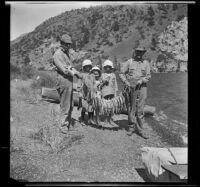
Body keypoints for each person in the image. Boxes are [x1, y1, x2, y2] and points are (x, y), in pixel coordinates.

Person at [52, 34, 84, 133]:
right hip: (63, 80)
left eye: (69, 44)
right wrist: (76, 73)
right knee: (65, 104)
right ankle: (63, 125)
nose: (68, 46)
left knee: (70, 104)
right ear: (61, 43)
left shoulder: (66, 54)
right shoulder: (58, 54)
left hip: (69, 80)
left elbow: (70, 66)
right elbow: (65, 70)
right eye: (66, 44)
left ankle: (68, 123)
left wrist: (77, 73)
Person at [119, 47, 151, 139]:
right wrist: (126, 82)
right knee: (131, 108)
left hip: (142, 87)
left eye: (141, 52)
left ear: (143, 53)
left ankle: (141, 130)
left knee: (140, 109)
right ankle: (131, 128)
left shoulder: (146, 63)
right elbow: (121, 73)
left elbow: (148, 76)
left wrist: (141, 81)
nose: (139, 53)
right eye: (137, 52)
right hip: (130, 87)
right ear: (135, 52)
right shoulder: (129, 62)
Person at [77, 59, 96, 126]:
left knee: (91, 107)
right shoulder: (81, 75)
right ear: (84, 67)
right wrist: (79, 91)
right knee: (84, 107)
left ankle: (90, 119)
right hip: (84, 93)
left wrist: (95, 91)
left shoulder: (93, 75)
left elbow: (94, 83)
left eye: (89, 66)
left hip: (91, 94)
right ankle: (82, 119)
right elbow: (79, 83)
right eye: (86, 66)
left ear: (90, 67)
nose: (88, 68)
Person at [101, 60, 118, 127]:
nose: (108, 68)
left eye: (109, 67)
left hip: (112, 93)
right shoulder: (102, 75)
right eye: (107, 67)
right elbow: (100, 85)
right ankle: (105, 119)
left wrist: (116, 92)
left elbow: (115, 84)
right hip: (104, 93)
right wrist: (104, 82)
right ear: (104, 68)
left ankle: (110, 119)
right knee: (105, 106)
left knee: (111, 106)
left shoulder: (113, 75)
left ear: (111, 68)